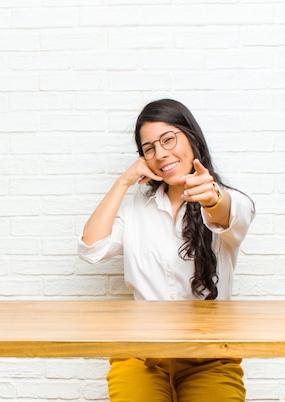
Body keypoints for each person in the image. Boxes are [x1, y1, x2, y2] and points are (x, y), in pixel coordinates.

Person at [78, 99, 255, 402]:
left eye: (169, 139)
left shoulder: (231, 200)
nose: (161, 154)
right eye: (149, 148)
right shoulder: (137, 210)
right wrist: (123, 182)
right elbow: (91, 249)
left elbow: (225, 214)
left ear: (192, 137)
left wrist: (211, 197)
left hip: (209, 359)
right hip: (142, 356)